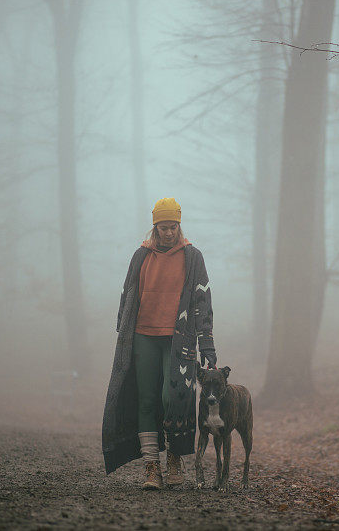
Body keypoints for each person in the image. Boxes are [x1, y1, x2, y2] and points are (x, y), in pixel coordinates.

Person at [102, 197, 217, 490]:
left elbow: (202, 298)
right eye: (163, 227)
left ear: (179, 225)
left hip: (180, 339)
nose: (168, 232)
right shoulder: (141, 256)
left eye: (173, 227)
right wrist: (122, 329)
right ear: (155, 227)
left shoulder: (193, 257)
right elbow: (128, 293)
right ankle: (152, 466)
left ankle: (175, 457)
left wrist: (207, 342)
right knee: (147, 399)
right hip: (143, 336)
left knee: (173, 397)